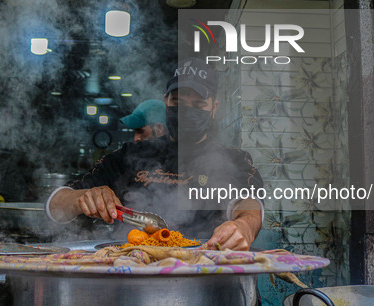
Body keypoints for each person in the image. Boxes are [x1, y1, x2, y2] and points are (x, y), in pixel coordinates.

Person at [46, 58, 264, 250]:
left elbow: (249, 205)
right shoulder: (129, 155)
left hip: (204, 273)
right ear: (166, 102)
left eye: (198, 104)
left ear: (214, 108)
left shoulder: (233, 160)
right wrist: (80, 199)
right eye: (177, 102)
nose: (186, 112)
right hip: (131, 274)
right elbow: (56, 204)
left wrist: (244, 225)